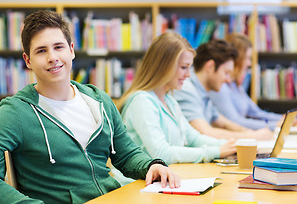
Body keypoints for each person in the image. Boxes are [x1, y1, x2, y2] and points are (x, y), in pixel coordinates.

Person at [0, 10, 180, 204]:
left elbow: (125, 155)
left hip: (114, 202)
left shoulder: (99, 100)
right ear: (28, 61)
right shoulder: (13, 113)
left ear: (71, 50)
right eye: (41, 51)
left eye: (58, 47)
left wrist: (151, 165)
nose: (53, 57)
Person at [115, 32, 237, 166]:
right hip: (135, 185)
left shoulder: (169, 100)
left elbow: (193, 139)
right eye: (184, 67)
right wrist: (216, 151)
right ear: (164, 66)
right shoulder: (141, 102)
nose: (188, 75)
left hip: (163, 180)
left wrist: (231, 146)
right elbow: (162, 154)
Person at [173, 39, 273, 140]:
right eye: (226, 73)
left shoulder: (205, 92)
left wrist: (248, 132)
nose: (228, 80)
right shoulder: (186, 88)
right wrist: (251, 136)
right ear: (210, 66)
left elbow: (223, 122)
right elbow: (204, 132)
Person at [208, 33, 283, 130]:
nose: (249, 63)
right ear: (237, 59)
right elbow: (235, 121)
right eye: (247, 58)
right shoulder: (220, 86)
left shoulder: (236, 85)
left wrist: (283, 119)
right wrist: (275, 125)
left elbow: (256, 113)